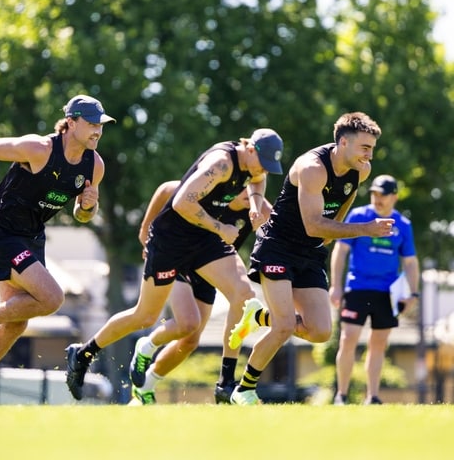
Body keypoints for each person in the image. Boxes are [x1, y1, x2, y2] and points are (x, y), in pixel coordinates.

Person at [65, 128, 284, 401]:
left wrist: (255, 202)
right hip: (171, 241)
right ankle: (83, 352)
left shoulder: (253, 166)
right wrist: (219, 226)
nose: (262, 171)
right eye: (261, 163)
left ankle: (226, 383)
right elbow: (181, 202)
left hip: (203, 239)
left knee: (242, 292)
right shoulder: (221, 164)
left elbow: (259, 179)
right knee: (144, 316)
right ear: (250, 148)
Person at [0, 94, 115, 406]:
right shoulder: (40, 148)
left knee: (16, 322)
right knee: (52, 298)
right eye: (91, 124)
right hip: (0, 231)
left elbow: (82, 214)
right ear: (71, 123)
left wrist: (89, 208)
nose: (97, 131)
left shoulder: (95, 165)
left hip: (33, 237)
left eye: (100, 125)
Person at [228, 112, 394, 405]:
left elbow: (344, 202)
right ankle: (244, 390)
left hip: (311, 251)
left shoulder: (361, 169)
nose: (369, 156)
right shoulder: (312, 168)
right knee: (282, 328)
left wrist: (335, 232)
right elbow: (313, 225)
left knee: (319, 331)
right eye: (364, 148)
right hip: (278, 247)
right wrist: (364, 230)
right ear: (343, 142)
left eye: (372, 149)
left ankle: (258, 317)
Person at [128, 182, 272, 405]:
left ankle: (145, 387)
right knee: (186, 323)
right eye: (245, 187)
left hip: (207, 273)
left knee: (190, 342)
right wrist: (147, 237)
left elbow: (281, 233)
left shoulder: (257, 207)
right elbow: (167, 191)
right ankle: (148, 345)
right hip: (178, 263)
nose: (250, 194)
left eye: (255, 190)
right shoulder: (206, 193)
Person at [329, 174, 419, 405]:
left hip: (387, 294)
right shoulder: (359, 216)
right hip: (357, 288)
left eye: (383, 195)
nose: (378, 199)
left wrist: (413, 293)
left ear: (395, 197)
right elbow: (340, 251)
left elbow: (410, 262)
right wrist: (336, 286)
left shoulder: (403, 225)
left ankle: (373, 396)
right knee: (348, 339)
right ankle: (342, 395)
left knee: (379, 343)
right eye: (374, 193)